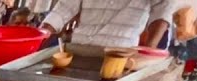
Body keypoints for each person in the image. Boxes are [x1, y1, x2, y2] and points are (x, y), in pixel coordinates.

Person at [41, 0, 175, 48]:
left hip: (119, 56)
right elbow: (64, 8)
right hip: (77, 48)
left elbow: (162, 12)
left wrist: (149, 48)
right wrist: (40, 35)